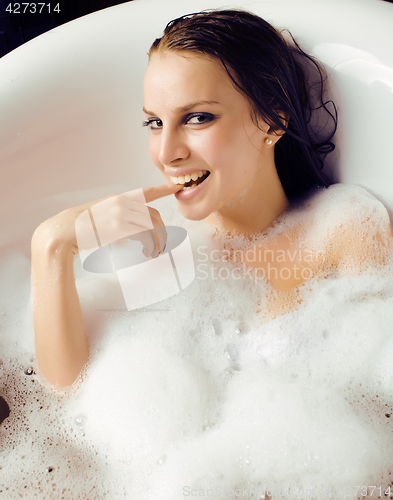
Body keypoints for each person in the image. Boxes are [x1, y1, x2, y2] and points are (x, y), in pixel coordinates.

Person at [31, 9, 392, 390]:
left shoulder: (345, 232)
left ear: (273, 120)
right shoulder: (153, 236)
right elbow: (71, 395)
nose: (166, 153)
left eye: (197, 118)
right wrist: (52, 244)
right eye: (155, 123)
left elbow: (374, 392)